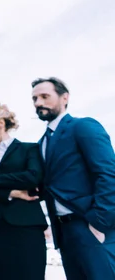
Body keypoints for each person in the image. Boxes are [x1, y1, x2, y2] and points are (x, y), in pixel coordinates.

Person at [32, 77, 115, 279]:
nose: (38, 103)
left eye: (45, 96)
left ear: (64, 97)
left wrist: (99, 223)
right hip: (64, 233)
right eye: (34, 98)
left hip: (90, 226)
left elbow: (108, 174)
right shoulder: (42, 142)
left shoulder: (83, 126)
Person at [0, 102, 47, 280]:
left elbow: (33, 177)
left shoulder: (30, 149)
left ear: (0, 123)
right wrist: (11, 193)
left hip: (27, 228)